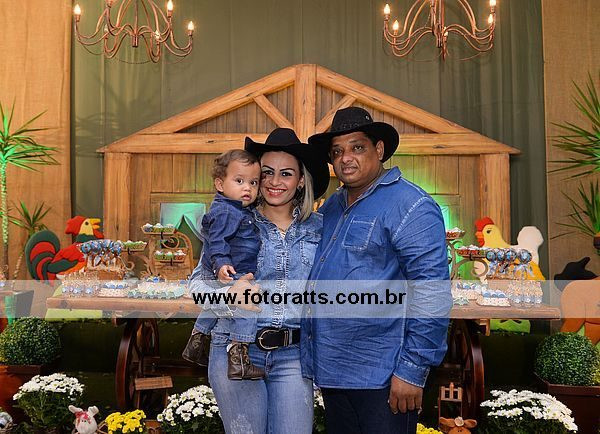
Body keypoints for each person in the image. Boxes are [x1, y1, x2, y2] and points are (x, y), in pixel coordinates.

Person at [305, 107, 452, 434]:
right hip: (332, 371)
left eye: (357, 147)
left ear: (380, 149)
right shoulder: (332, 206)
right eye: (337, 151)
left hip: (383, 376)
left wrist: (412, 370)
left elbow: (431, 293)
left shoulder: (410, 205)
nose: (346, 158)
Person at [187, 127, 330, 434]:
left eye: (286, 173)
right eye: (267, 173)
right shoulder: (232, 220)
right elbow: (197, 287)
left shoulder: (321, 228)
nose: (275, 182)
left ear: (301, 180)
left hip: (294, 355)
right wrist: (229, 296)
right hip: (235, 350)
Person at [182, 149, 265, 380]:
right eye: (239, 181)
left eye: (253, 182)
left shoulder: (237, 209)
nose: (247, 188)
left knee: (216, 305)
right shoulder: (227, 211)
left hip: (228, 268)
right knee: (247, 308)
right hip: (230, 268)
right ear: (220, 184)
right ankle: (239, 358)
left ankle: (197, 339)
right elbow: (217, 240)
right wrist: (221, 263)